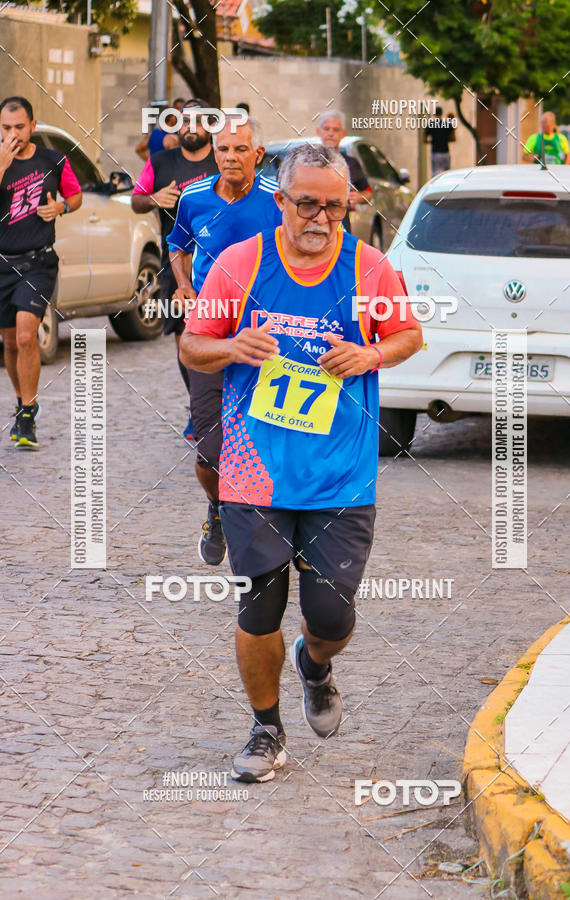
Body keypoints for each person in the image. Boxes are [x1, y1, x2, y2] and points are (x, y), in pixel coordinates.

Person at [179, 142, 422, 783]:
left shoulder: (369, 268)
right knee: (258, 608)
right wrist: (232, 345)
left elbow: (409, 335)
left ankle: (315, 665)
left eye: (334, 207)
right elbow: (192, 344)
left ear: (348, 206)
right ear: (280, 200)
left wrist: (371, 356)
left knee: (332, 616)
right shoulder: (240, 264)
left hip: (340, 474)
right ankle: (265, 729)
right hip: (254, 469)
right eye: (306, 202)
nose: (319, 217)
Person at [168, 116, 282, 564]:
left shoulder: (277, 198)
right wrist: (183, 286)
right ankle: (217, 508)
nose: (230, 157)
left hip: (269, 333)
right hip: (210, 331)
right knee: (209, 450)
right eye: (223, 150)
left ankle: (281, 525)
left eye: (240, 149)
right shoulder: (194, 198)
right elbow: (177, 244)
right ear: (214, 153)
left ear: (258, 153)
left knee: (272, 435)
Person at [132, 99, 219, 438]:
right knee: (185, 339)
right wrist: (155, 198)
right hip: (177, 264)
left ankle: (223, 406)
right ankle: (199, 407)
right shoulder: (161, 161)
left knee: (223, 336)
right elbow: (136, 200)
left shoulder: (221, 160)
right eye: (183, 122)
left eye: (198, 121)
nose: (189, 127)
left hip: (223, 265)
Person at [0, 95, 82, 449]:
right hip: (2, 262)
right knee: (8, 341)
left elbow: (76, 196)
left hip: (38, 262)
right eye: (5, 128)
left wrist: (61, 206)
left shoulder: (52, 159)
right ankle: (21, 406)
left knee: (24, 335)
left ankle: (29, 413)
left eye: (19, 127)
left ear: (32, 126)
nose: (13, 134)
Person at [316, 109, 370, 232]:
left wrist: (359, 197)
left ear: (343, 133)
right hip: (314, 223)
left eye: (335, 130)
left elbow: (368, 192)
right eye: (326, 129)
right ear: (318, 132)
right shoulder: (307, 162)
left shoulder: (351, 164)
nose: (330, 133)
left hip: (341, 227)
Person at [424, 106, 455, 176]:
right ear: (442, 114)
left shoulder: (430, 125)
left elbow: (424, 140)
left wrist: (432, 141)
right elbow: (453, 139)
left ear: (434, 114)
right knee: (446, 174)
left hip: (435, 152)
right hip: (445, 152)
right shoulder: (447, 124)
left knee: (435, 174)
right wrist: (451, 120)